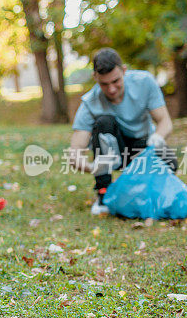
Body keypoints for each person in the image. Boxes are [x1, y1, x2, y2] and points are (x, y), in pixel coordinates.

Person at [67, 47, 177, 215]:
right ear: (95, 77)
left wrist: (157, 138)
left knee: (171, 164)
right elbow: (74, 152)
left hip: (144, 144)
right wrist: (93, 167)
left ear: (124, 70)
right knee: (104, 122)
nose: (111, 89)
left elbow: (165, 121)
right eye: (104, 84)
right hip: (113, 152)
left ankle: (145, 191)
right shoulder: (90, 103)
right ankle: (104, 194)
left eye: (116, 81)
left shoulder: (144, 82)